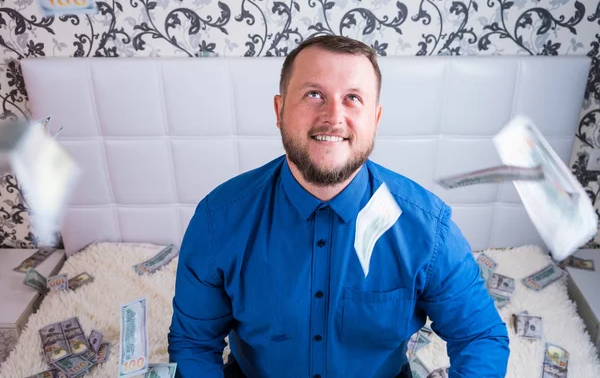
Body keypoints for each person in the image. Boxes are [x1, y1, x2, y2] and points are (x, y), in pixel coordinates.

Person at [168, 35, 510, 377]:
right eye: (314, 94)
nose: (333, 117)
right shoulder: (218, 220)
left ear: (375, 119)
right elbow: (194, 344)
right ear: (280, 110)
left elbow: (481, 337)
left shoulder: (427, 227)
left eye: (353, 99)